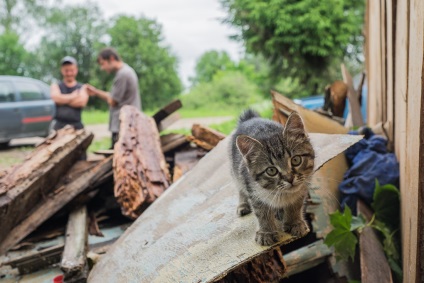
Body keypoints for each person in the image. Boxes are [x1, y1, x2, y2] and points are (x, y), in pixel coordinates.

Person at [86, 47, 141, 149]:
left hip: (124, 126)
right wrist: (96, 91)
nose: (102, 68)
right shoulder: (126, 71)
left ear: (111, 59)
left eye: (103, 64)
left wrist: (97, 93)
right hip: (128, 124)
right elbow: (113, 96)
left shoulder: (122, 74)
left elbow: (112, 101)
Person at [50, 56, 89, 130]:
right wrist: (73, 96)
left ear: (76, 70)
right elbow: (55, 98)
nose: (69, 73)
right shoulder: (56, 85)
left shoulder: (82, 87)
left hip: (77, 127)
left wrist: (62, 100)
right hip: (59, 127)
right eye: (66, 70)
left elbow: (81, 102)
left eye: (71, 70)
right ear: (62, 70)